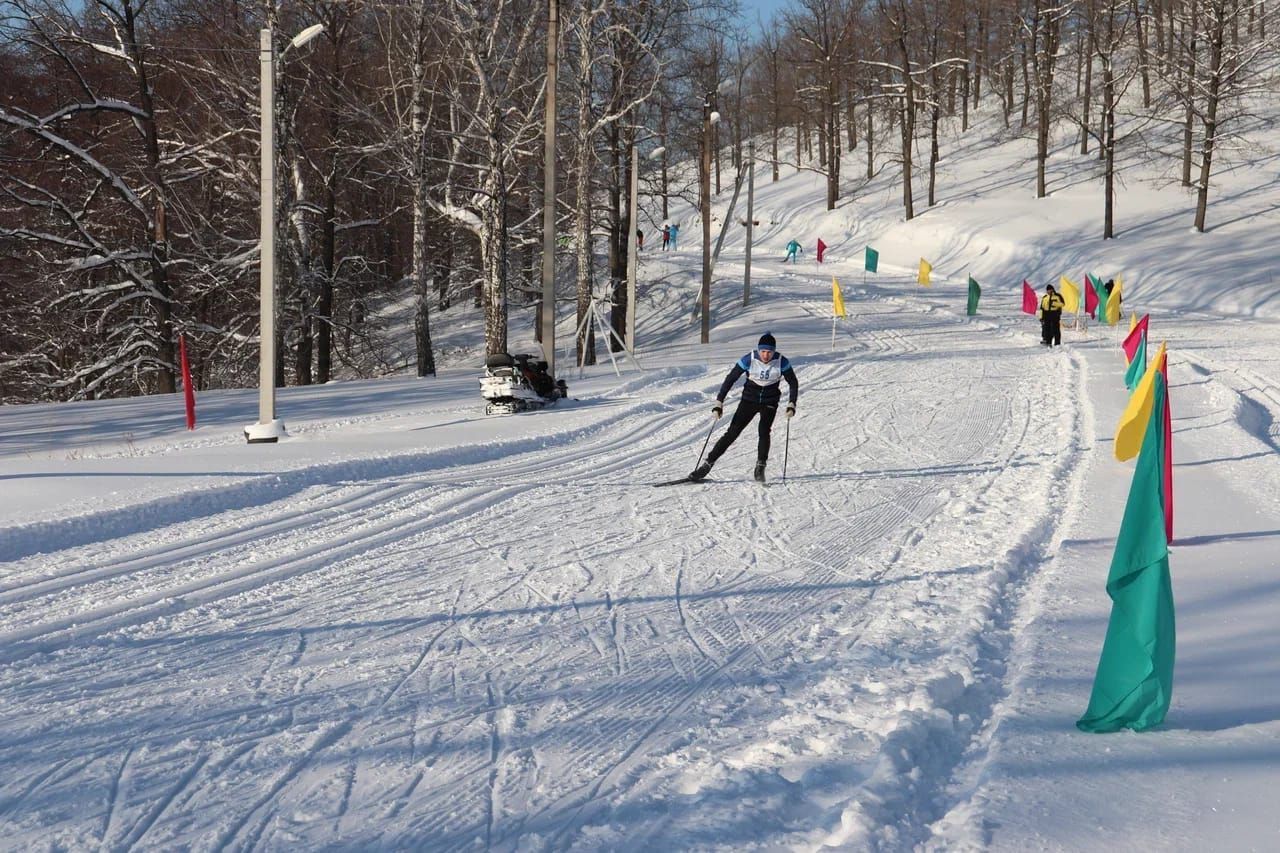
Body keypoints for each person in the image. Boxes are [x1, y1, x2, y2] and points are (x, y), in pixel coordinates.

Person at [690, 332, 799, 483]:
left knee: (764, 432)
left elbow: (793, 382)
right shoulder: (749, 359)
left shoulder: (782, 361)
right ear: (759, 350)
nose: (766, 355)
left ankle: (760, 467)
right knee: (732, 432)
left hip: (770, 401)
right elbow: (730, 379)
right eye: (763, 351)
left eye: (769, 352)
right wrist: (719, 402)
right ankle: (707, 465)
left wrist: (791, 403)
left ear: (774, 351)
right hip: (749, 400)